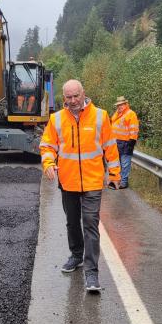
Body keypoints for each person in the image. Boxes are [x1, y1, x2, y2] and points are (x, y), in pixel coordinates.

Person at [40, 79, 121, 293]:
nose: (73, 101)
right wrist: (48, 163)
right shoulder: (56, 119)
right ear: (63, 98)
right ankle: (76, 255)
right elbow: (47, 145)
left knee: (90, 224)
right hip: (68, 181)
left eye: (76, 96)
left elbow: (110, 147)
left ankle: (92, 272)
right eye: (68, 97)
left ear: (83, 93)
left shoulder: (100, 116)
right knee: (72, 223)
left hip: (93, 181)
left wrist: (114, 173)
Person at [110, 96, 139, 189]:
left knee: (125, 163)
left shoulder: (131, 114)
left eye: (121, 105)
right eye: (118, 105)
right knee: (117, 164)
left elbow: (134, 129)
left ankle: (124, 182)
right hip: (116, 142)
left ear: (126, 104)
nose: (119, 106)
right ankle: (117, 181)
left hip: (127, 142)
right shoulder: (116, 114)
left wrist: (132, 141)